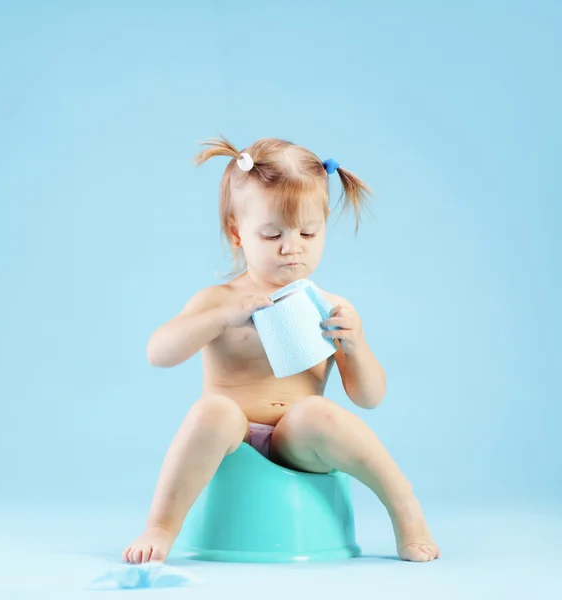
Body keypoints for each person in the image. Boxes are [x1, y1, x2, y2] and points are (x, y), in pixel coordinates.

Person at [123, 135, 440, 564]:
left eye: (308, 232)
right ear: (238, 233)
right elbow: (157, 352)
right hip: (229, 439)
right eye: (272, 234)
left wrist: (356, 344)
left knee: (316, 413)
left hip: (298, 442)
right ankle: (161, 527)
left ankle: (404, 506)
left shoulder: (329, 308)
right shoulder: (219, 301)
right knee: (212, 411)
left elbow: (369, 396)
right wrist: (221, 318)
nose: (292, 247)